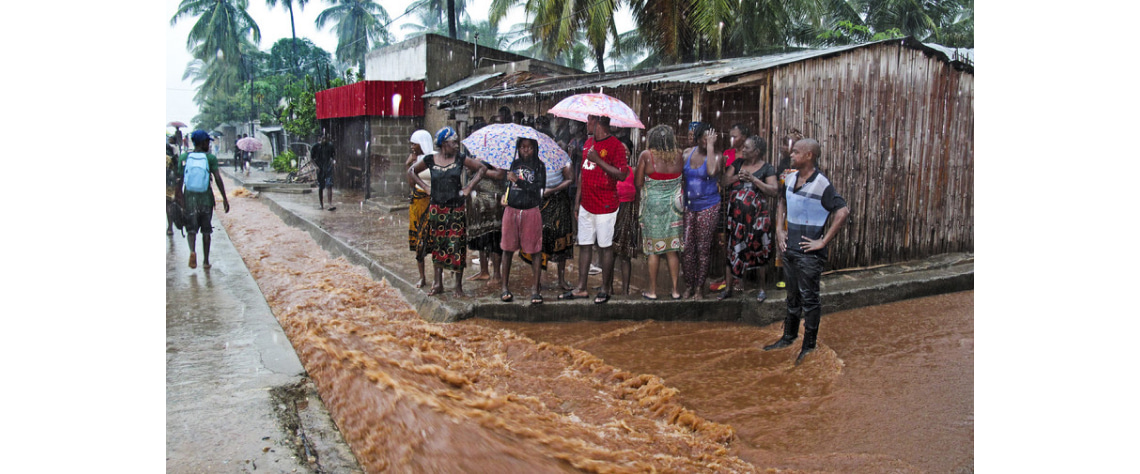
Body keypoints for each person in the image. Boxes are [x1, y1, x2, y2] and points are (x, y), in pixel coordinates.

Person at [763, 138, 850, 365]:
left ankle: (809, 346)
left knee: (810, 300)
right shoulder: (790, 178)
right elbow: (781, 202)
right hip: (789, 249)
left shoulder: (822, 184)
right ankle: (789, 337)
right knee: (792, 297)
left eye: (796, 153)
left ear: (809, 155)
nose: (791, 155)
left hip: (809, 254)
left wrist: (822, 242)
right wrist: (780, 231)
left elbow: (842, 211)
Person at [408, 127, 486, 297]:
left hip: (456, 209)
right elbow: (411, 171)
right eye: (453, 142)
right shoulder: (430, 160)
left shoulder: (460, 159)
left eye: (457, 141)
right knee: (438, 245)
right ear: (443, 143)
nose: (456, 145)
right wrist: (425, 187)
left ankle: (458, 286)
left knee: (457, 246)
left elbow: (481, 169)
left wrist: (468, 187)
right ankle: (438, 283)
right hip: (436, 209)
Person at [559, 115, 629, 304]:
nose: (586, 124)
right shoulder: (587, 143)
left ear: (599, 123)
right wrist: (577, 200)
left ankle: (606, 288)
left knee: (605, 246)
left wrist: (598, 159)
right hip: (586, 204)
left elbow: (622, 174)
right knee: (584, 244)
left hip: (606, 204)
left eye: (589, 121)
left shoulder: (616, 146)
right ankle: (581, 287)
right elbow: (583, 172)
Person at [718, 135, 778, 301]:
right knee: (733, 249)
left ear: (757, 152)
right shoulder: (737, 164)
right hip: (736, 220)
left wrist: (753, 179)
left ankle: (761, 289)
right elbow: (723, 182)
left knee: (760, 251)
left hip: (758, 220)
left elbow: (773, 190)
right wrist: (738, 177)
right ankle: (729, 288)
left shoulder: (767, 168)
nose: (743, 150)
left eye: (747, 148)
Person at [635, 125, 685, 300]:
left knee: (654, 250)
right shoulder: (680, 155)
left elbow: (639, 182)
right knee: (672, 250)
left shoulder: (647, 156)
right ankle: (675, 290)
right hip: (674, 207)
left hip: (653, 207)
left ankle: (653, 291)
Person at [498, 137, 547, 304]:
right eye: (522, 147)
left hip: (531, 210)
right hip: (511, 210)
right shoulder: (514, 164)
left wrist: (518, 180)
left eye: (529, 147)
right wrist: (505, 197)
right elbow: (508, 186)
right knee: (507, 249)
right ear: (518, 148)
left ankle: (535, 288)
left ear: (534, 148)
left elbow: (538, 190)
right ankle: (504, 286)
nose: (526, 150)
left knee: (535, 250)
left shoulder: (539, 166)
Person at [680, 122, 722, 299]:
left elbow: (712, 171)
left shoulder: (717, 156)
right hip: (690, 206)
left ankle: (699, 288)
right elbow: (681, 178)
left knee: (703, 249)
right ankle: (689, 285)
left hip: (709, 205)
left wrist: (711, 147)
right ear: (697, 139)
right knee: (687, 247)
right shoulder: (687, 154)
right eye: (704, 139)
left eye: (710, 139)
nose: (707, 141)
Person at [176, 130, 230, 269]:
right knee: (206, 231)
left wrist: (179, 199)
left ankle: (192, 252)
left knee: (191, 230)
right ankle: (206, 261)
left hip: (190, 199)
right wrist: (224, 198)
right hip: (206, 199)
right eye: (207, 142)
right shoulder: (210, 158)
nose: (209, 144)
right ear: (204, 142)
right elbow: (217, 178)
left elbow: (179, 180)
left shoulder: (184, 157)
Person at [709, 123, 752, 292]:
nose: (732, 139)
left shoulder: (752, 154)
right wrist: (736, 177)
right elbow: (722, 179)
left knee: (744, 240)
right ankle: (727, 276)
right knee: (724, 240)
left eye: (736, 136)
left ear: (745, 137)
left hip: (747, 203)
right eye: (730, 136)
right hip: (728, 199)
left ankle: (740, 278)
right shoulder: (727, 154)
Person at [465, 159, 506, 285]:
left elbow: (500, 174)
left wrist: (480, 170)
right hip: (477, 202)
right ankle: (484, 271)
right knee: (480, 235)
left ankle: (497, 274)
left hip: (492, 201)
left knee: (493, 236)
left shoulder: (496, 154)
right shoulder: (477, 153)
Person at [772, 128, 804, 290]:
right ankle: (783, 276)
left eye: (787, 145)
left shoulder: (805, 165)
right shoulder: (783, 164)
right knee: (782, 242)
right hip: (784, 205)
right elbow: (779, 185)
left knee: (799, 240)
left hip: (800, 207)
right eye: (784, 145)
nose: (784, 148)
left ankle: (799, 276)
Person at [404, 130, 435, 288]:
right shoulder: (415, 160)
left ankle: (438, 277)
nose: (412, 147)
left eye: (414, 143)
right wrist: (409, 164)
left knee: (436, 240)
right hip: (418, 202)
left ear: (422, 143)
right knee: (419, 241)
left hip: (433, 202)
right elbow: (411, 184)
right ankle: (422, 277)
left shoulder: (434, 158)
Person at [612, 135, 640, 295]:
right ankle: (607, 286)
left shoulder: (633, 170)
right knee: (609, 251)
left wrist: (638, 215)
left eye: (627, 150)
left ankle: (625, 290)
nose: (625, 153)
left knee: (625, 255)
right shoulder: (611, 170)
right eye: (621, 150)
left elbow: (638, 193)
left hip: (628, 212)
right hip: (612, 211)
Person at [311, 134, 336, 210]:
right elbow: (311, 159)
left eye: (325, 139)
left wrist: (334, 162)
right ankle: (321, 205)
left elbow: (334, 156)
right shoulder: (315, 147)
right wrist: (316, 167)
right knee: (321, 187)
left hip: (328, 167)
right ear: (319, 139)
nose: (324, 140)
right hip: (320, 168)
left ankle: (330, 204)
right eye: (323, 139)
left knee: (329, 185)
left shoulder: (330, 146)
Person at [166, 139, 180, 236]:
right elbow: (176, 172)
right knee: (168, 205)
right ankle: (170, 227)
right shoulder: (170, 158)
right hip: (168, 185)